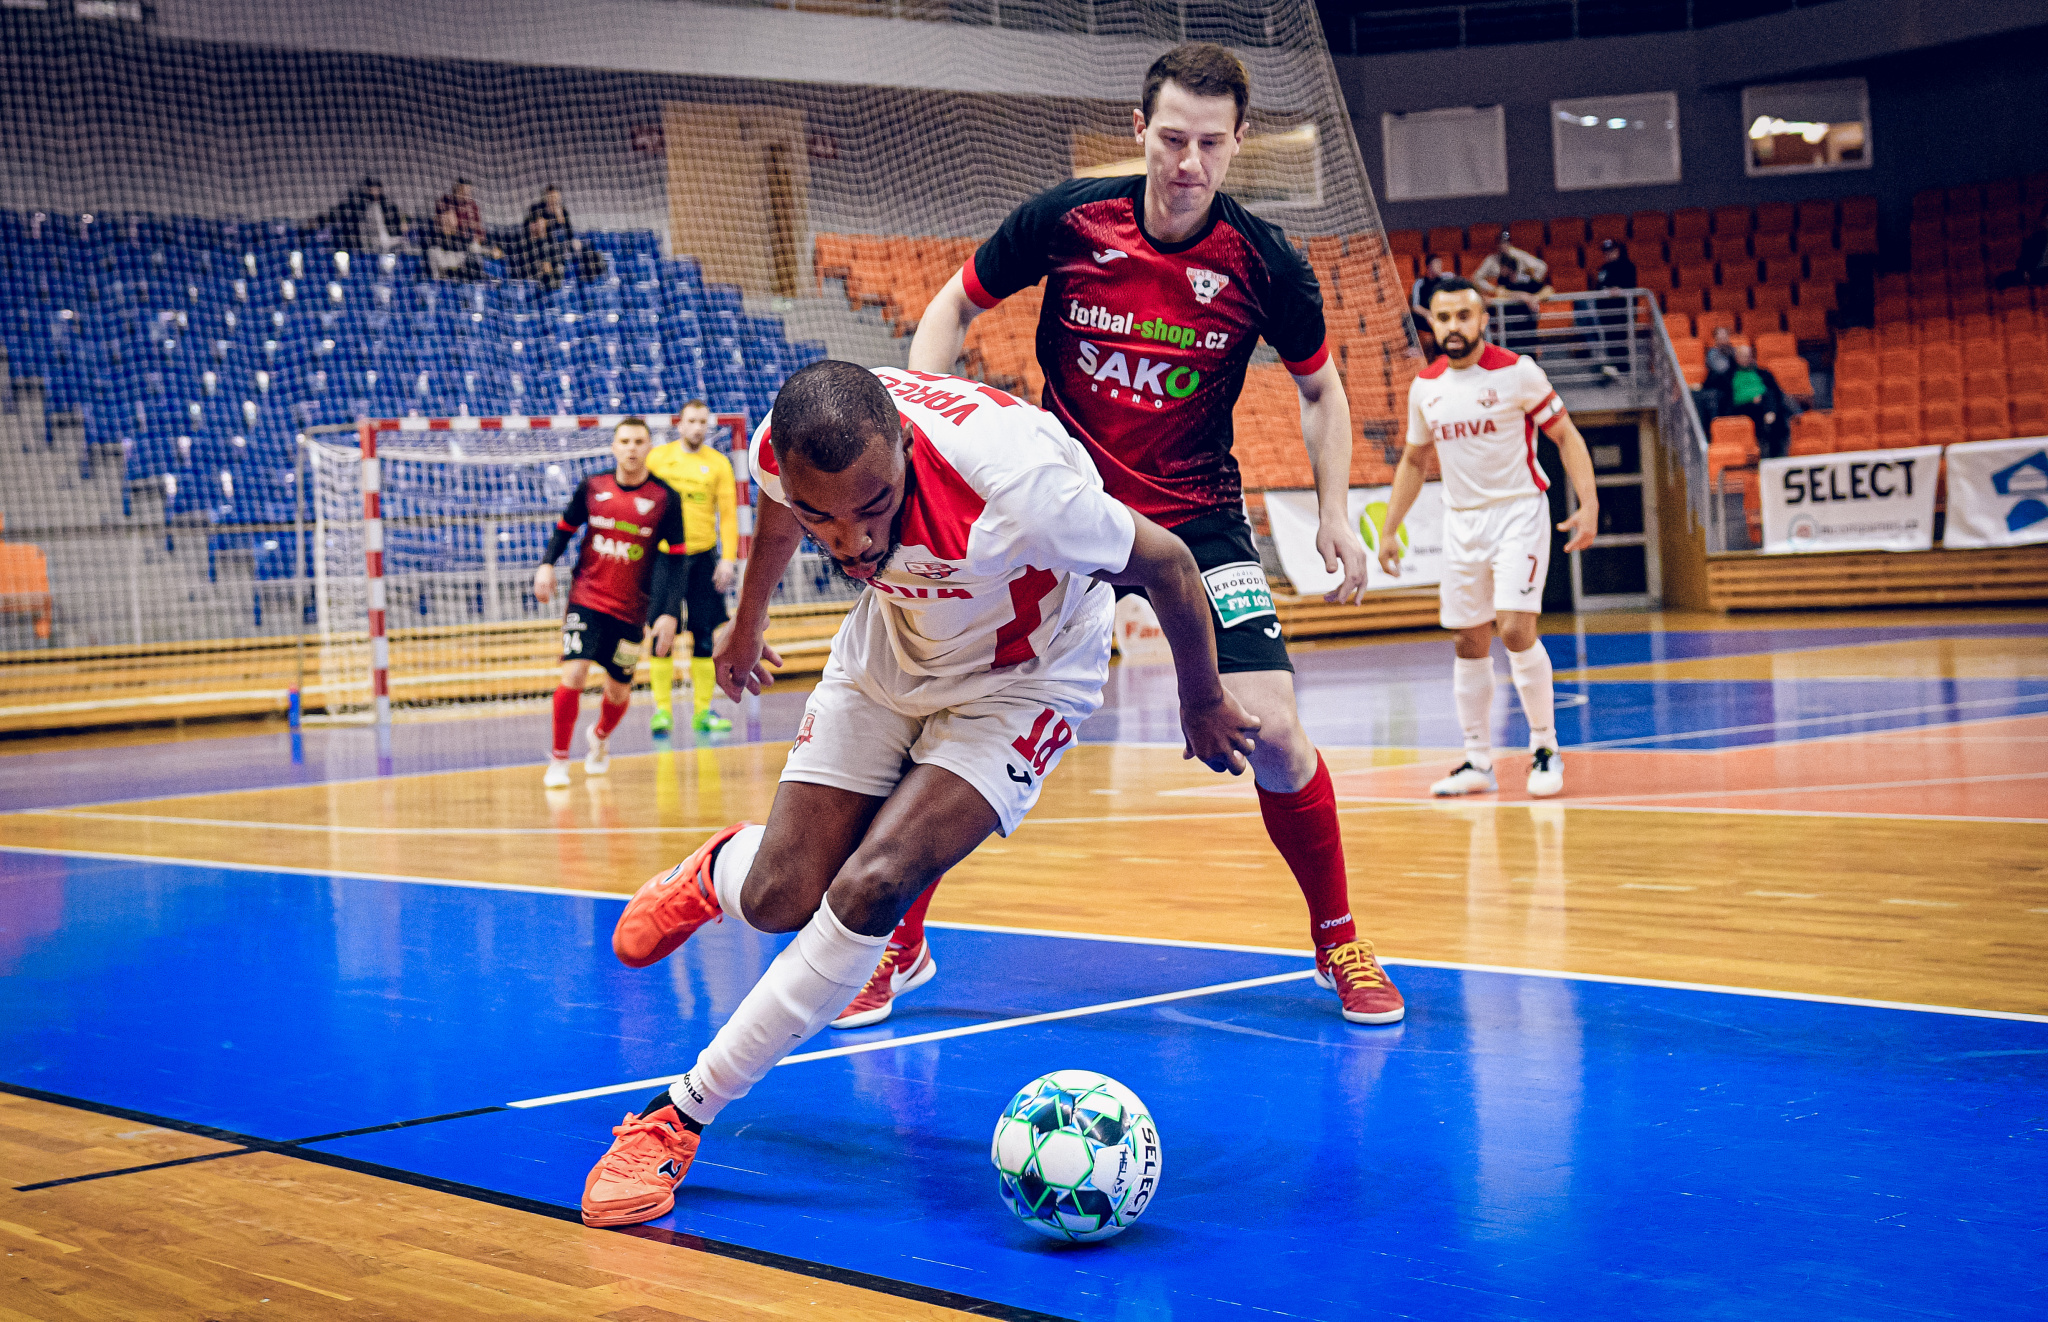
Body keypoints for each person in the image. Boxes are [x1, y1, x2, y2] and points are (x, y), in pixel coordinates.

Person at [576, 360, 1261, 1227]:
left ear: (904, 444)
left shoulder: (1021, 489)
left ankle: (675, 1117)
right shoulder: (781, 452)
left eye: (874, 506)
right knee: (780, 897)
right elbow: (779, 508)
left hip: (1026, 679)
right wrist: (747, 625)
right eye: (826, 517)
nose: (854, 541)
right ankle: (722, 871)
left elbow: (1168, 563)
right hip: (893, 646)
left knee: (875, 883)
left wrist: (1202, 699)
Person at [904, 42, 1401, 1029]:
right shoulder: (1068, 218)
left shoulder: (1264, 261)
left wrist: (1335, 509)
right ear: (1139, 131)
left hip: (1197, 516)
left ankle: (1338, 935)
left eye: (1210, 143)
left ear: (1238, 142)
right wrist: (925, 418)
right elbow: (954, 303)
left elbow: (1320, 390)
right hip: (1065, 511)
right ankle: (898, 939)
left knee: (1275, 733)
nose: (1188, 162)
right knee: (966, 723)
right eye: (1172, 138)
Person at [1377, 277, 1600, 800]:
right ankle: (1478, 761)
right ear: (1431, 324)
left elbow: (1565, 435)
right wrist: (1389, 528)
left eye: (1463, 315)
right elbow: (1414, 460)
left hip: (1518, 513)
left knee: (1516, 629)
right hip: (1461, 522)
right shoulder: (1425, 386)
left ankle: (1544, 748)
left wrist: (1589, 504)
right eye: (1443, 318)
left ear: (1482, 319)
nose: (1453, 326)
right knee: (1467, 640)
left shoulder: (1519, 373)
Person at [533, 417, 687, 788]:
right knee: (574, 673)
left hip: (632, 610)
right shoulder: (592, 486)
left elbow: (678, 559)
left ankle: (599, 737)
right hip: (586, 599)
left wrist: (669, 612)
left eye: (639, 441)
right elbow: (565, 529)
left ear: (649, 447)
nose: (631, 448)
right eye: (625, 441)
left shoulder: (665, 498)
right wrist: (546, 564)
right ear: (614, 447)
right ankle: (559, 760)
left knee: (618, 691)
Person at [644, 400, 738, 735]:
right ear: (679, 424)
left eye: (702, 422)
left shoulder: (718, 464)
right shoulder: (658, 459)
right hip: (665, 558)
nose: (697, 427)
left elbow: (729, 515)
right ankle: (662, 712)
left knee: (704, 634)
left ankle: (702, 712)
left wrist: (728, 558)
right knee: (661, 634)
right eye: (691, 421)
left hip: (702, 557)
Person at [1472, 228, 1552, 341]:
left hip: (1525, 314)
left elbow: (1543, 272)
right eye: (1501, 243)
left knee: (1528, 336)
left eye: (1506, 243)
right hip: (1506, 314)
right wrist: (1492, 289)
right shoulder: (1493, 263)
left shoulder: (1520, 259)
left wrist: (1534, 296)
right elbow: (1477, 278)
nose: (1503, 245)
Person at [1725, 342, 1796, 459]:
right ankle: (1771, 417)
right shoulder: (1730, 375)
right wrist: (1751, 399)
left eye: (1748, 356)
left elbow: (1777, 392)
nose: (1746, 359)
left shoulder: (1763, 373)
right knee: (1769, 405)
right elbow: (1731, 398)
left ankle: (1771, 418)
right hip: (1743, 407)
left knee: (1772, 399)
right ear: (1736, 358)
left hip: (1762, 404)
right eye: (1743, 356)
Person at [525, 186, 603, 285]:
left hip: (562, 244)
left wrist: (560, 220)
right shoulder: (537, 210)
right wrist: (552, 222)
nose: (555, 201)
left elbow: (569, 233)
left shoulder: (562, 211)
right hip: (546, 247)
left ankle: (590, 277)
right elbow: (538, 233)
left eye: (557, 199)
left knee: (588, 250)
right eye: (552, 198)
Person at [1586, 238, 1638, 378]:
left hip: (1622, 312)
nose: (1609, 254)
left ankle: (1625, 371)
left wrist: (1619, 290)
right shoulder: (1603, 269)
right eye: (1606, 252)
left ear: (1618, 251)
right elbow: (1599, 287)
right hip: (1606, 313)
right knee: (1610, 340)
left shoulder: (1627, 266)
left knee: (1622, 340)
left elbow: (1630, 286)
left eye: (1611, 251)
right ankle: (1615, 369)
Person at [312, 176, 403, 254]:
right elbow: (336, 214)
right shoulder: (357, 206)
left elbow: (400, 220)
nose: (373, 192)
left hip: (388, 243)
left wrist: (403, 223)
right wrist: (319, 220)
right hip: (366, 245)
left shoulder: (388, 207)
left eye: (375, 189)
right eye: (370, 189)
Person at [1993, 206, 2048, 291]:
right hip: (2035, 273)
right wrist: (2025, 272)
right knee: (2005, 278)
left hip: (2042, 274)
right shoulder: (2037, 237)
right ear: (2043, 222)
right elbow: (2025, 258)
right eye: (2046, 220)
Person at [1410, 254, 1453, 358]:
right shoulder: (1419, 283)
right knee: (1408, 317)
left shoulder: (1446, 279)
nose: (1440, 267)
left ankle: (1444, 351)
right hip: (1426, 316)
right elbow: (1415, 306)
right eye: (1437, 264)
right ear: (1429, 266)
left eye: (1440, 264)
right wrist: (1429, 314)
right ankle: (1413, 347)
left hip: (1442, 315)